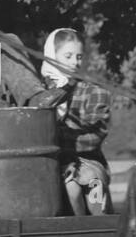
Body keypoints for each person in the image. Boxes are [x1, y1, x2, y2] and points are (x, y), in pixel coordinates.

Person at [41, 28, 114, 215]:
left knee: (94, 184)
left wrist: (58, 139)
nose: (75, 62)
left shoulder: (94, 92)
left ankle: (101, 223)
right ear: (52, 56)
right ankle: (78, 228)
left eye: (79, 57)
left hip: (89, 161)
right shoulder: (40, 94)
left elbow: (94, 137)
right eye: (68, 56)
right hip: (51, 163)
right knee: (71, 186)